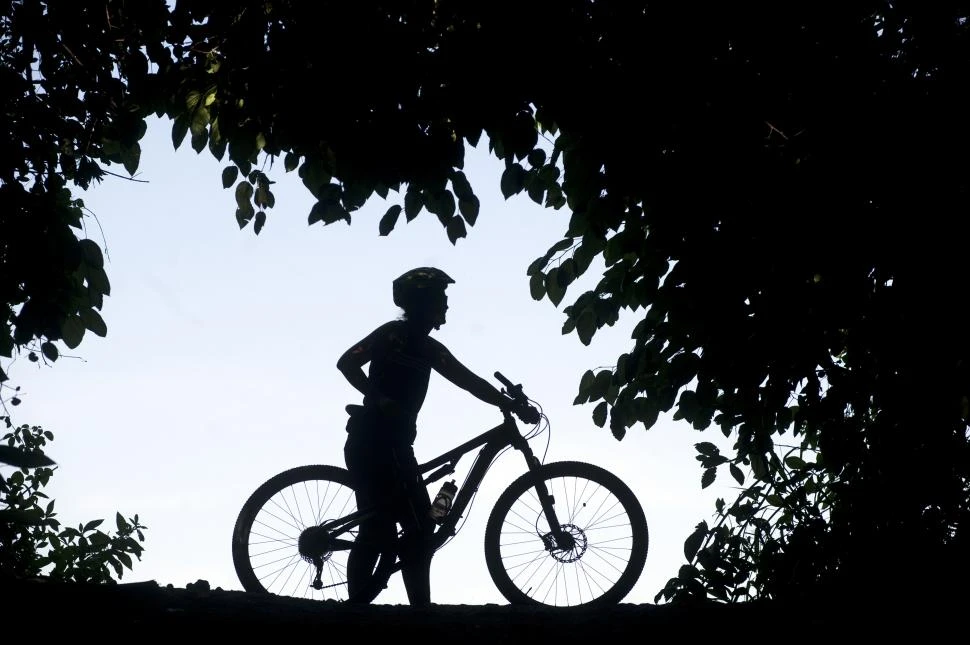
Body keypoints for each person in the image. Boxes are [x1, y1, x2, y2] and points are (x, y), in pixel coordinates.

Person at [336, 267, 536, 606]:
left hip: (394, 444)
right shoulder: (393, 336)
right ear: (422, 303)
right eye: (440, 298)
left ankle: (383, 606)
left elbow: (469, 381)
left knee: (412, 523)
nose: (445, 305)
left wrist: (508, 403)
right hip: (376, 441)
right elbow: (347, 363)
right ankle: (402, 609)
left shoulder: (429, 348)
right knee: (399, 526)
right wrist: (379, 398)